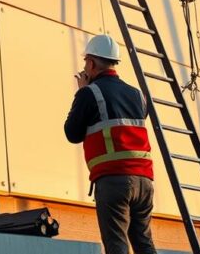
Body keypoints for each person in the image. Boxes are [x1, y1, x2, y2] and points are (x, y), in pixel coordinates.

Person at [64, 34, 156, 254]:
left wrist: (81, 92)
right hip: (144, 182)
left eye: (86, 61)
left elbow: (72, 133)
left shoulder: (89, 93)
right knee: (144, 243)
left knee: (117, 245)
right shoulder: (138, 95)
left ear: (92, 63)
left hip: (114, 180)